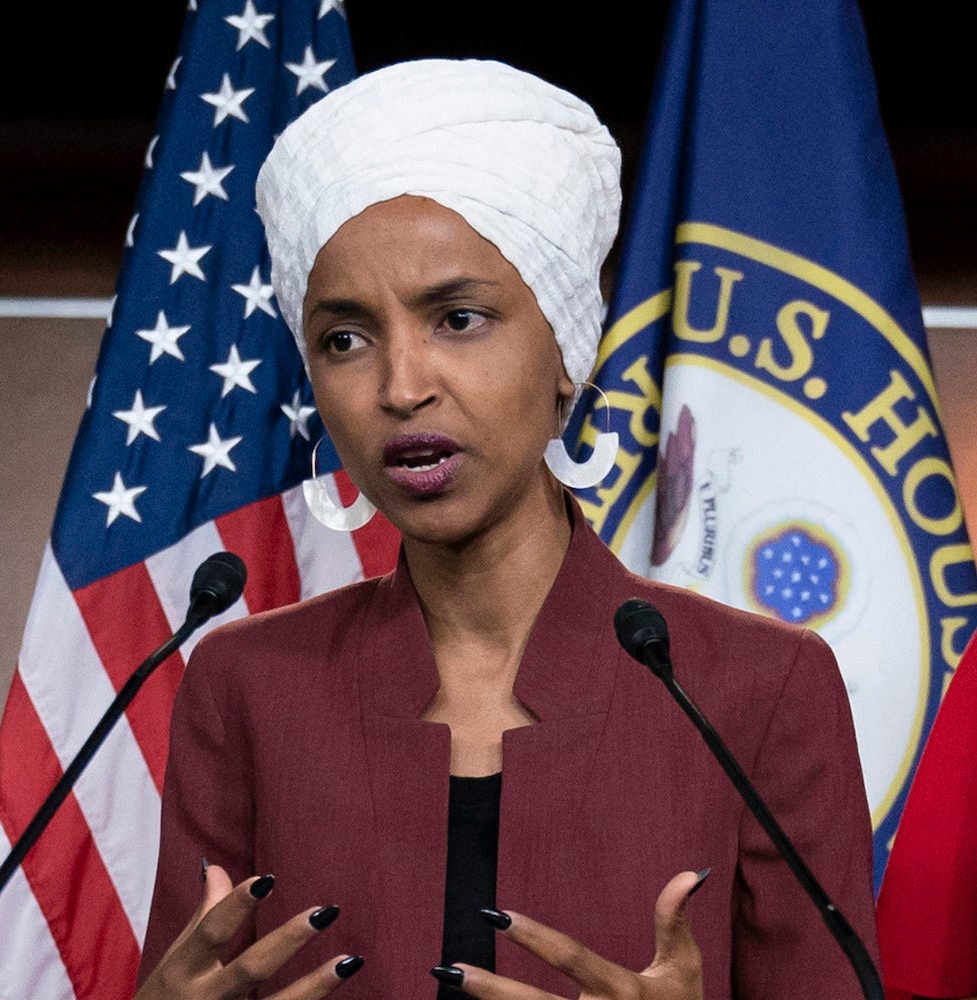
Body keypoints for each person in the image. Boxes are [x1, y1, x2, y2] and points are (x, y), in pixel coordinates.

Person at [134, 60, 877, 1000]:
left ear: (567, 353)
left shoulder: (758, 689)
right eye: (345, 338)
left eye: (459, 318)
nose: (402, 386)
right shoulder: (246, 687)